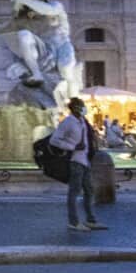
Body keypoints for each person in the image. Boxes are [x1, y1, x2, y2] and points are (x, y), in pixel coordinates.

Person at [49, 97, 107, 232]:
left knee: (89, 190)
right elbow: (54, 140)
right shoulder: (68, 122)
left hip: (84, 161)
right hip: (74, 161)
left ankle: (90, 220)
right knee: (74, 192)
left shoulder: (82, 121)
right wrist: (72, 146)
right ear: (75, 108)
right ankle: (73, 222)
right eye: (82, 106)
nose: (84, 108)